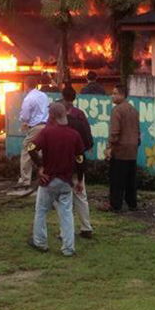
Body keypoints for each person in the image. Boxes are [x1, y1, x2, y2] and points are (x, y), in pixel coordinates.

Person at [27, 102, 85, 256]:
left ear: (51, 116)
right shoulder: (74, 135)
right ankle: (68, 248)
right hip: (66, 182)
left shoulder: (47, 133)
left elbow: (31, 148)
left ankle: (40, 242)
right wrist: (79, 180)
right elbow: (80, 159)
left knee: (41, 211)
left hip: (48, 181)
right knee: (66, 214)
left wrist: (40, 166)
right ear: (65, 114)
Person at [60, 85, 94, 238]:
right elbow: (88, 138)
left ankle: (65, 232)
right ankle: (86, 228)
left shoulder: (57, 117)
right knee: (81, 195)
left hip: (62, 165)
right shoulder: (80, 116)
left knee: (63, 199)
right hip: (77, 162)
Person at [10, 76, 50, 195]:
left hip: (35, 128)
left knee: (27, 150)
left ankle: (25, 180)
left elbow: (25, 117)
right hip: (46, 126)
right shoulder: (43, 95)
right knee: (43, 152)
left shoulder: (28, 99)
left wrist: (24, 122)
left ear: (25, 85)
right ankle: (46, 176)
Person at [104, 84, 140, 212]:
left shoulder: (117, 110)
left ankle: (115, 205)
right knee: (130, 179)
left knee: (117, 179)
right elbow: (138, 131)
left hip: (120, 149)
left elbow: (115, 132)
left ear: (122, 95)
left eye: (114, 93)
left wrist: (109, 147)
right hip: (133, 149)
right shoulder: (134, 110)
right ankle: (132, 203)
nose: (112, 96)